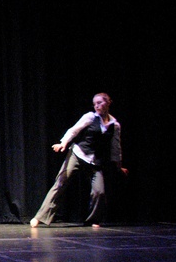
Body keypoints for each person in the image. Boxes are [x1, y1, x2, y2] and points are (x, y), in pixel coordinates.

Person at [30, 92, 128, 228]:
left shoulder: (115, 125)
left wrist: (119, 166)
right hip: (78, 154)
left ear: (108, 102)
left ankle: (93, 219)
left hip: (95, 161)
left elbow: (116, 148)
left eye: (99, 103)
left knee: (99, 191)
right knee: (60, 183)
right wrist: (63, 143)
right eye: (94, 104)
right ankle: (40, 217)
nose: (97, 106)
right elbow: (73, 130)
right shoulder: (90, 117)